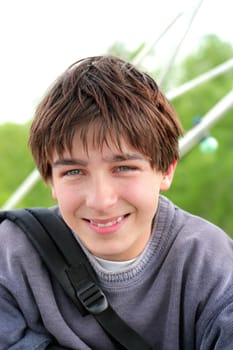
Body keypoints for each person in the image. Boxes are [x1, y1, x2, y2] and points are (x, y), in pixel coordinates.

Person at [0, 55, 233, 350]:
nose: (101, 200)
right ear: (51, 181)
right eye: (73, 172)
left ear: (166, 170)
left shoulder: (212, 267)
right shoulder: (10, 259)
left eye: (123, 168)